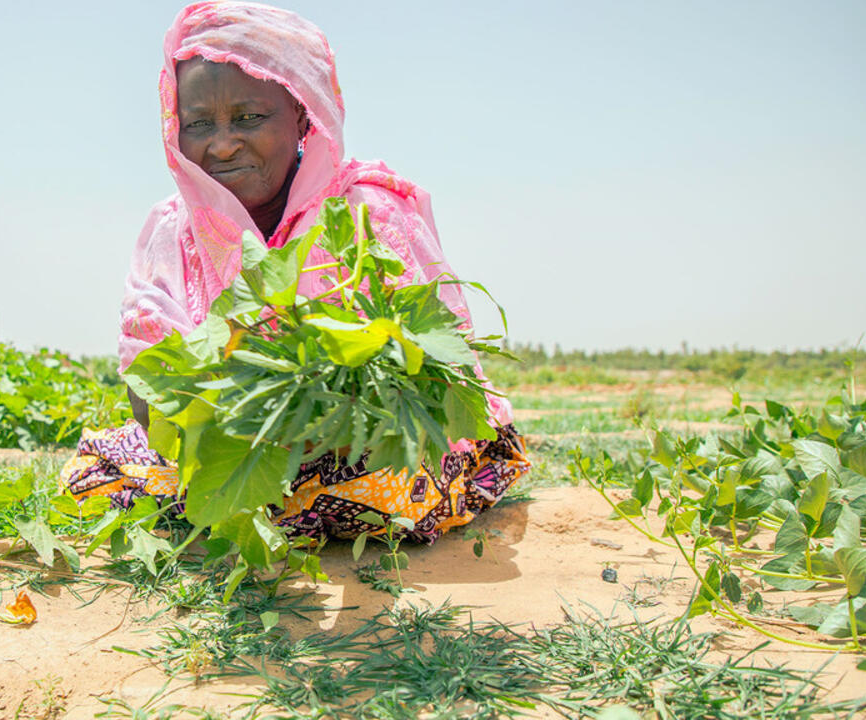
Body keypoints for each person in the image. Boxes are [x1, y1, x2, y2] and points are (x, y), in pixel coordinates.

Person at [61, 1, 529, 543]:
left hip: (373, 442)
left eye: (249, 118)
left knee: (384, 486)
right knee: (113, 472)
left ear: (303, 116)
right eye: (198, 124)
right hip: (238, 448)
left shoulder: (364, 213)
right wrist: (223, 418)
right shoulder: (173, 228)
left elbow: (432, 378)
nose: (222, 143)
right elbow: (148, 380)